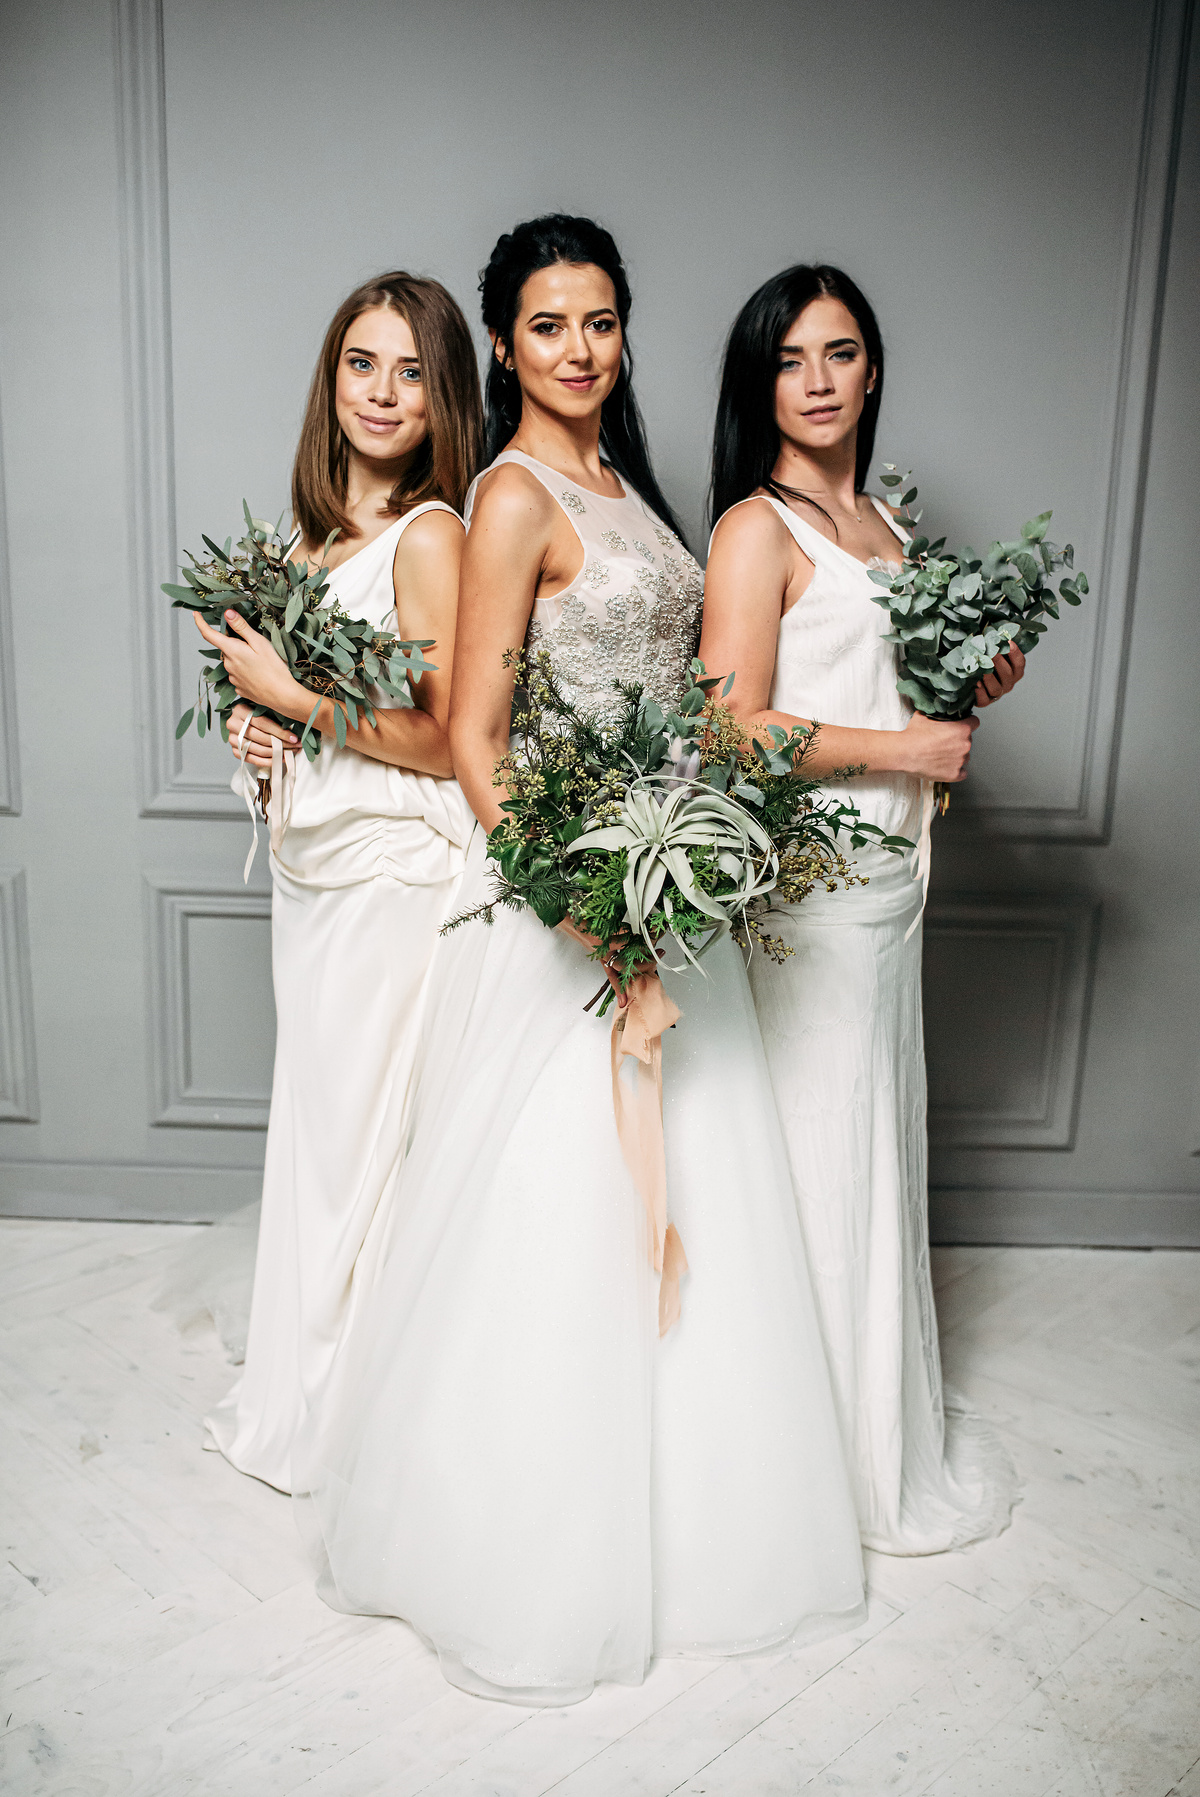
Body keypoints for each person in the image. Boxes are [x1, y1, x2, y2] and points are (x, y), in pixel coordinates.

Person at [292, 216, 866, 1706]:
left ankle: (699, 1522)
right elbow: (478, 739)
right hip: (568, 902)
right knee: (553, 1223)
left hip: (663, 871)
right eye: (547, 325)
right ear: (505, 343)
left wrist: (682, 850)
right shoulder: (508, 496)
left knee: (691, 1197)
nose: (578, 349)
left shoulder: (630, 489)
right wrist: (578, 905)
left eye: (600, 320)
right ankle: (529, 1540)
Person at [700, 263, 1021, 1554]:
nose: (819, 381)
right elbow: (729, 732)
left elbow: (900, 700)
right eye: (791, 360)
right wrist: (908, 749)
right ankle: (797, 1468)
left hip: (893, 893)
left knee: (866, 1152)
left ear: (873, 369)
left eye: (839, 354)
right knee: (816, 1159)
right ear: (760, 383)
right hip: (808, 897)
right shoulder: (753, 529)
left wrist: (971, 686)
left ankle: (863, 1430)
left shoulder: (891, 528)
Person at [195, 272, 481, 1493]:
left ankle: (364, 1414)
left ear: (442, 399)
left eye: (412, 372)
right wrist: (254, 737)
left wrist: (295, 703)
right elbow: (294, 726)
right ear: (331, 380)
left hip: (395, 879)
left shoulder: (432, 537)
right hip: (312, 883)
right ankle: (309, 1381)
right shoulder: (299, 546)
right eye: (363, 364)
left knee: (374, 1145)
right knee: (322, 1138)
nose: (382, 391)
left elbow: (446, 740)